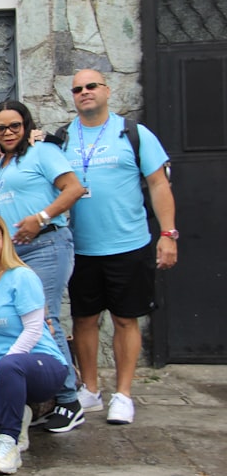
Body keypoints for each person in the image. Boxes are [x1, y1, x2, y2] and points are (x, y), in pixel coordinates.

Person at [60, 69, 178, 425]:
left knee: (126, 319)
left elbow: (158, 185)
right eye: (77, 89)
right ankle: (92, 390)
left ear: (107, 91)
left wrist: (169, 235)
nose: (84, 92)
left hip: (129, 244)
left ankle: (123, 394)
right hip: (81, 247)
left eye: (91, 86)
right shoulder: (63, 138)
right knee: (84, 319)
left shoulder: (134, 134)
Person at [0, 100, 85, 433]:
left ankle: (70, 401)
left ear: (26, 126)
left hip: (46, 246)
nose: (9, 132)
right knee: (25, 320)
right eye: (1, 128)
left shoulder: (42, 153)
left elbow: (74, 188)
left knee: (45, 318)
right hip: (12, 255)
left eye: (15, 126)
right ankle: (43, 394)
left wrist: (41, 218)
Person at [0, 213, 69, 474]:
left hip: (42, 364)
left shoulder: (22, 276)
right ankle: (19, 417)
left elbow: (35, 329)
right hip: (1, 367)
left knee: (11, 366)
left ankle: (9, 447)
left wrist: (2, 365)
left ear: (5, 242)